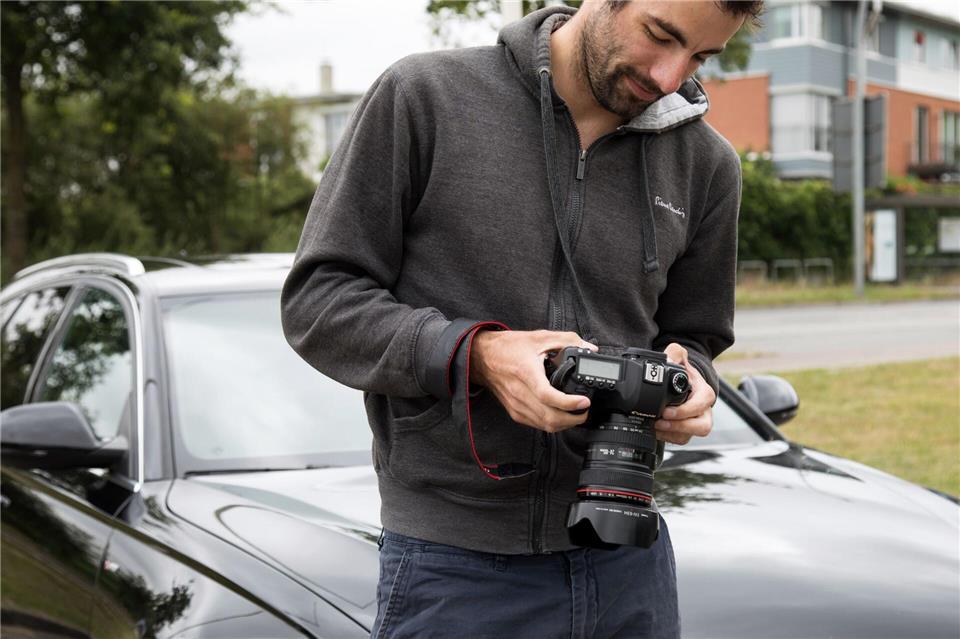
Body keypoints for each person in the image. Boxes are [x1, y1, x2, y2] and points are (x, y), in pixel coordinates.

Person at [282, 1, 761, 637]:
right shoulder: (423, 98)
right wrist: (476, 356)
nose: (670, 77)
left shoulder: (707, 165)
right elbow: (319, 299)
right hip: (456, 568)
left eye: (700, 57)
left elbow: (694, 336)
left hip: (630, 560)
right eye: (660, 35)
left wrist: (690, 379)